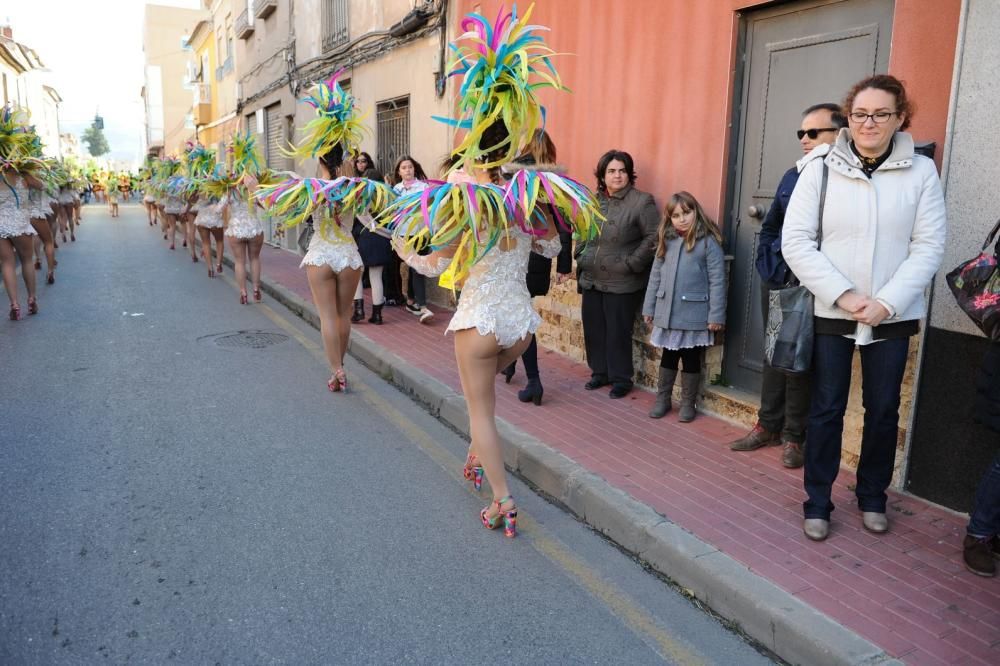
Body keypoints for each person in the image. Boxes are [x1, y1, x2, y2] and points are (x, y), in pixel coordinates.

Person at [388, 7, 602, 537]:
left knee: (481, 412)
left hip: (479, 321)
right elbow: (552, 244)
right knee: (484, 411)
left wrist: (400, 243)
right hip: (521, 326)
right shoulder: (526, 198)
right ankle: (476, 458)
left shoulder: (467, 203)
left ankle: (503, 501)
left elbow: (438, 259)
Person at [782, 75, 947, 541]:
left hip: (892, 316)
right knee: (826, 408)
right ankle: (818, 500)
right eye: (860, 114)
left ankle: (872, 495)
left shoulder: (920, 172)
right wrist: (845, 295)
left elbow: (929, 245)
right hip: (833, 311)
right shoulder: (819, 167)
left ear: (900, 118)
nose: (868, 123)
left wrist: (887, 302)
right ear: (848, 118)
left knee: (883, 409)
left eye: (880, 114)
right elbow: (796, 241)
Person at [728, 102, 847, 467]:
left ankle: (794, 436)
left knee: (801, 361)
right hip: (782, 281)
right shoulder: (792, 175)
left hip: (822, 287)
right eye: (801, 133)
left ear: (839, 133)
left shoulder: (845, 177)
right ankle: (768, 424)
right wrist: (771, 267)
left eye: (814, 132)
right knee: (774, 354)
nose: (805, 139)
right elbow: (771, 228)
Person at [497, 130, 574, 405]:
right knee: (523, 315)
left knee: (519, 318)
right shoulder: (552, 181)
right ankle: (515, 365)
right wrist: (563, 264)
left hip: (517, 255)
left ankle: (531, 377)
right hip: (540, 257)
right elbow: (564, 224)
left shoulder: (513, 174)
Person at [575, 150, 659, 398]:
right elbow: (582, 229)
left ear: (629, 174)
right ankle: (599, 373)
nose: (617, 175)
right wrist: (581, 253)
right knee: (594, 329)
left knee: (617, 332)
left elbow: (654, 236)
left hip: (622, 279)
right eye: (611, 171)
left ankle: (621, 379)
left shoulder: (642, 201)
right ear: (602, 175)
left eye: (622, 170)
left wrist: (632, 263)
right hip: (591, 277)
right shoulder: (593, 201)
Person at [642, 192, 726, 422]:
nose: (682, 219)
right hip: (668, 312)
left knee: (690, 358)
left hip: (694, 314)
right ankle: (663, 399)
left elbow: (718, 280)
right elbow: (655, 276)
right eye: (676, 215)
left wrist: (716, 314)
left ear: (695, 211)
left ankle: (688, 403)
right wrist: (649, 308)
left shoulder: (707, 242)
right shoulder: (666, 240)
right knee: (668, 356)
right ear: (669, 219)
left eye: (686, 213)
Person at [222, 133, 268, 304]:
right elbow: (264, 204)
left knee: (240, 262)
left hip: (236, 229)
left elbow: (221, 206)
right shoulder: (252, 182)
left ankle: (243, 293)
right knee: (254, 258)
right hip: (254, 227)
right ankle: (256, 289)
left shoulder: (229, 186)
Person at [392, 155, 434, 323]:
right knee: (412, 266)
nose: (407, 170)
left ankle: (420, 305)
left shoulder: (423, 187)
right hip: (403, 233)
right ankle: (414, 302)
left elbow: (429, 207)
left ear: (414, 168)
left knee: (418, 268)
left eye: (410, 167)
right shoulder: (396, 189)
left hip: (420, 232)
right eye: (404, 168)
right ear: (399, 172)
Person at [351, 167, 393, 324]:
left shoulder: (362, 196)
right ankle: (377, 315)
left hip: (364, 237)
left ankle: (358, 311)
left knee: (358, 275)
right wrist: (387, 234)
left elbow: (361, 217)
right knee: (376, 277)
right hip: (382, 239)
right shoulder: (387, 195)